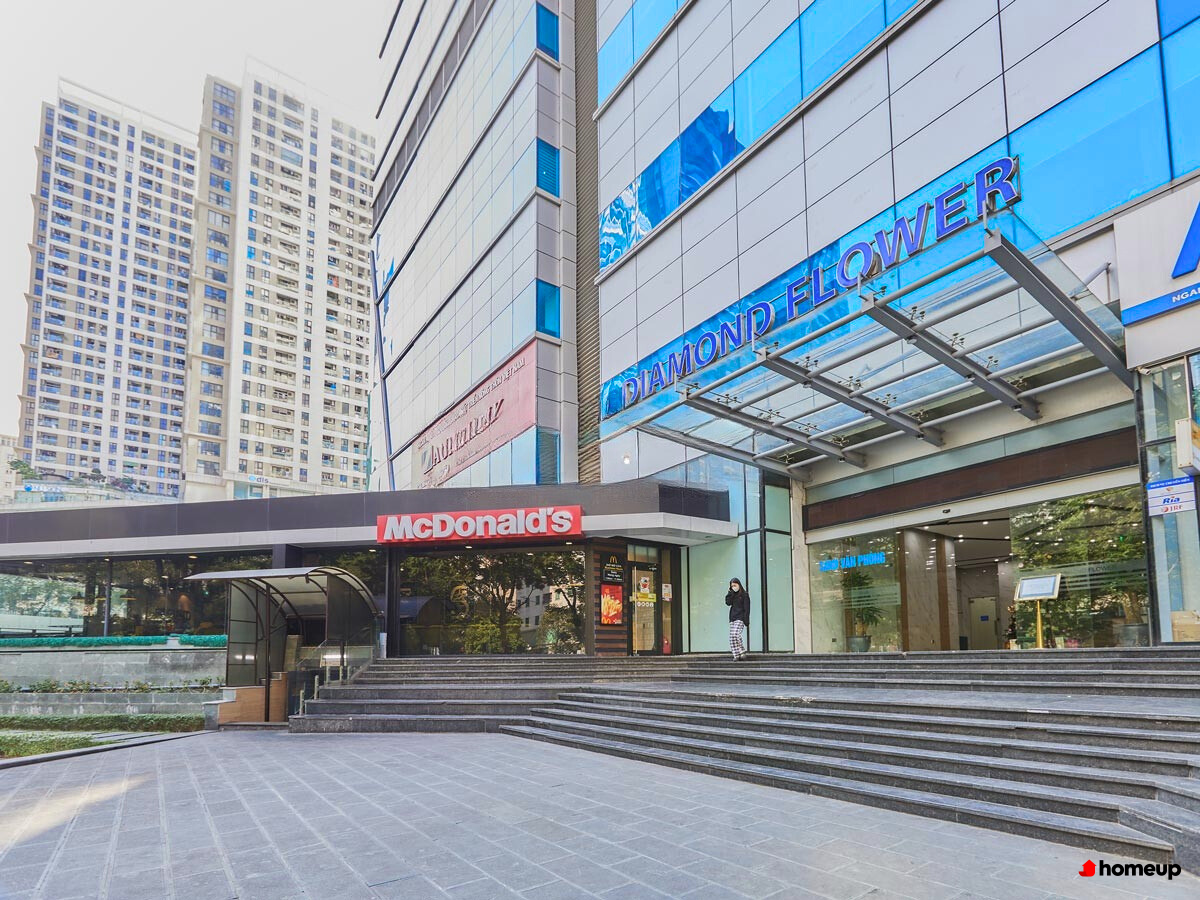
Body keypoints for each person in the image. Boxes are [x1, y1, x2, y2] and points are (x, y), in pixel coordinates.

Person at [725, 578, 750, 660]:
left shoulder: (744, 595)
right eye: (732, 586)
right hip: (732, 618)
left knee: (735, 634)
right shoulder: (732, 595)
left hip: (740, 617)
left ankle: (742, 651)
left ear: (739, 584)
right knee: (732, 637)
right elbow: (728, 603)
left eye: (735, 585)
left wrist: (746, 620)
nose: (734, 587)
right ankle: (736, 655)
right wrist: (730, 593)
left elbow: (747, 608)